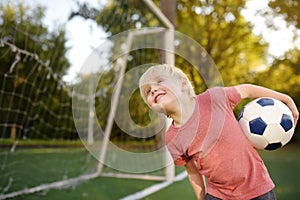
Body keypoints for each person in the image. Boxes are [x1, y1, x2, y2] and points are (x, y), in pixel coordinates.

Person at [139, 64, 299, 200]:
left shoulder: (214, 98)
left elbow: (248, 90)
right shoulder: (172, 138)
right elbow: (192, 172)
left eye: (159, 81)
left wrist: (285, 98)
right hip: (218, 195)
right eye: (147, 91)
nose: (153, 90)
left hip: (258, 189)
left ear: (183, 84)